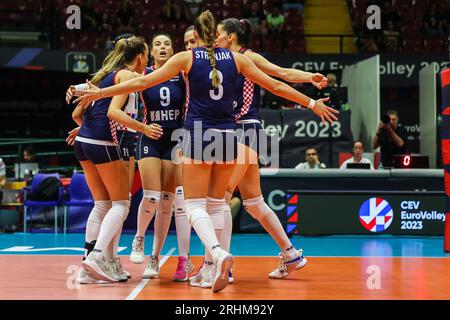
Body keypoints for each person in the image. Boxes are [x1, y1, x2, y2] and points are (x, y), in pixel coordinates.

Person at [74, 10, 337, 293]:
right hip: (229, 135)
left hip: (200, 135)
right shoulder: (238, 59)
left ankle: (216, 255)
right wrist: (311, 103)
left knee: (193, 205)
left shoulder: (187, 58)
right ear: (218, 34)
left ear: (197, 36)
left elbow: (141, 82)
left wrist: (99, 93)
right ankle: (221, 264)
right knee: (222, 204)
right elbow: (275, 84)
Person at [215, 18, 333, 281]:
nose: (215, 39)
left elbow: (280, 76)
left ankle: (222, 266)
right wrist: (308, 78)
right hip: (234, 131)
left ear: (232, 36)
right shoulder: (220, 60)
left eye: (219, 35)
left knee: (222, 195)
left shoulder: (248, 57)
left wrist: (309, 91)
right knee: (254, 203)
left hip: (245, 129)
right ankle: (291, 254)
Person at [71, 36, 152, 284]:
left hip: (83, 143)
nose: (147, 59)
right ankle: (97, 257)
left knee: (101, 204)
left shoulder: (104, 76)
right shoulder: (126, 76)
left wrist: (86, 128)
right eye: (146, 54)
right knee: (121, 204)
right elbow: (112, 112)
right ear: (139, 56)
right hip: (103, 143)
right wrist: (144, 129)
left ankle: (86, 269)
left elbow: (76, 113)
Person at [127, 33, 192, 282]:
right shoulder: (142, 75)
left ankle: (154, 258)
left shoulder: (183, 74)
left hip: (175, 139)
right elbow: (116, 81)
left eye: (167, 44)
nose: (163, 47)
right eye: (157, 44)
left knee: (168, 202)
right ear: (150, 52)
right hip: (150, 137)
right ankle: (139, 237)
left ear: (173, 50)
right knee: (151, 196)